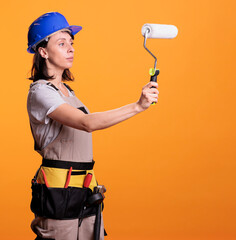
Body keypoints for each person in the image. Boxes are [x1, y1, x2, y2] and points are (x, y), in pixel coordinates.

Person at [26, 12, 159, 240]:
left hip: (85, 190)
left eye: (71, 42)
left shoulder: (69, 93)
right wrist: (137, 106)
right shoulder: (40, 92)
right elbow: (86, 123)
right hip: (59, 193)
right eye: (61, 43)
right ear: (43, 51)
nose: (71, 48)